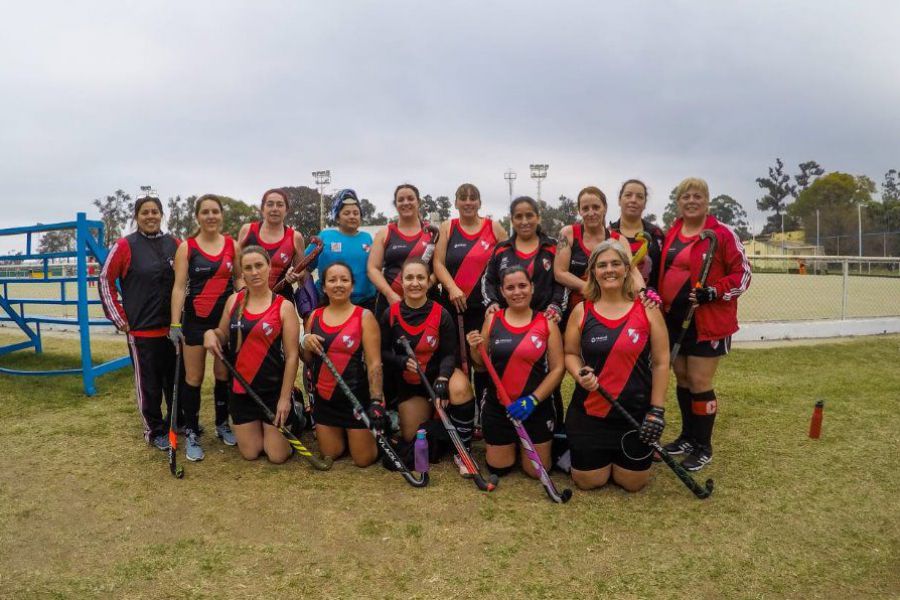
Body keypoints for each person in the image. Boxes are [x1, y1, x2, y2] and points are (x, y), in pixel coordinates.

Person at [658, 177, 751, 471]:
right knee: (682, 377)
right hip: (675, 320)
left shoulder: (721, 234)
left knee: (699, 381)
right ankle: (687, 436)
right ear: (678, 202)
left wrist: (715, 291)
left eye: (697, 196)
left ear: (707, 200)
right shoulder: (673, 231)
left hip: (707, 320)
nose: (691, 201)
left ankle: (703, 445)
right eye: (685, 196)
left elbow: (743, 274)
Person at [563, 240, 669, 492]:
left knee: (632, 483)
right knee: (589, 481)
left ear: (626, 269)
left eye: (615, 264)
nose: (609, 270)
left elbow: (662, 362)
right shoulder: (582, 310)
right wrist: (580, 374)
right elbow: (569, 353)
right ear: (593, 273)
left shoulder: (647, 309)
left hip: (633, 414)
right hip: (591, 413)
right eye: (602, 265)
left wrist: (657, 411)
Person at [203, 246, 300, 463]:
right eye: (248, 268)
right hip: (241, 390)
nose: (254, 272)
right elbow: (222, 334)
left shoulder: (283, 307)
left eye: (259, 265)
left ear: (269, 268)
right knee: (251, 453)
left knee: (277, 456)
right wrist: (211, 334)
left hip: (272, 392)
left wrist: (284, 399)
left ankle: (297, 410)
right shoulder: (234, 301)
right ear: (242, 273)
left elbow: (293, 356)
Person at [99, 194, 180, 450]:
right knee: (150, 385)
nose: (150, 216)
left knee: (175, 381)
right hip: (143, 331)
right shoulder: (125, 245)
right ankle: (154, 430)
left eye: (155, 211)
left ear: (162, 214)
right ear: (137, 217)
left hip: (173, 330)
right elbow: (105, 280)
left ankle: (175, 424)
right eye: (145, 212)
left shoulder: (175, 244)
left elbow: (186, 281)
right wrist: (118, 317)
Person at [467, 266, 564, 478]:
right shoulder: (493, 319)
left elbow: (558, 369)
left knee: (536, 471)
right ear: (502, 291)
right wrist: (475, 348)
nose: (517, 292)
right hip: (499, 407)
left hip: (535, 408)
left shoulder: (547, 322)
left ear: (532, 288)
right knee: (499, 468)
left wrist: (533, 400)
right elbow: (480, 366)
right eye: (510, 287)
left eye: (522, 286)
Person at [380, 259, 475, 472]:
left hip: (437, 376)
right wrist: (401, 361)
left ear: (428, 281)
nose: (415, 283)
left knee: (459, 387)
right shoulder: (390, 314)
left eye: (420, 277)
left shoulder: (441, 313)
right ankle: (442, 427)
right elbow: (382, 353)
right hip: (411, 383)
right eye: (409, 278)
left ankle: (464, 450)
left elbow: (449, 354)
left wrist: (442, 379)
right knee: (412, 438)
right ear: (401, 283)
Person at [170, 194, 240, 460]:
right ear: (198, 216)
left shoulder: (233, 245)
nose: (211, 216)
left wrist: (245, 313)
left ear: (221, 215)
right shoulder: (187, 248)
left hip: (224, 323)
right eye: (205, 212)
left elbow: (239, 281)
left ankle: (222, 424)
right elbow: (178, 288)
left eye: (215, 212)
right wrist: (175, 323)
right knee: (194, 378)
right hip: (195, 323)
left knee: (223, 375)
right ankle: (191, 432)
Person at [433, 183, 508, 406]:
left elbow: (506, 264)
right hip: (454, 308)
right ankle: (463, 410)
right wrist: (452, 288)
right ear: (455, 202)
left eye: (473, 198)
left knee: (483, 361)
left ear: (479, 202)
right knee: (456, 361)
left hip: (486, 309)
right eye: (463, 198)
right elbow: (437, 263)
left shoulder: (494, 228)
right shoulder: (448, 227)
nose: (468, 202)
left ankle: (486, 411)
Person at [301, 262, 380, 466]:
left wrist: (377, 403)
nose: (338, 284)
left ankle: (371, 430)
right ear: (324, 287)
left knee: (363, 460)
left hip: (355, 400)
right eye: (332, 280)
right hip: (326, 401)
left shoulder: (364, 316)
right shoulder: (314, 317)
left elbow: (374, 365)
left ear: (352, 286)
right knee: (331, 453)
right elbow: (307, 360)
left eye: (344, 280)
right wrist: (304, 343)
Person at [555, 186, 621, 326]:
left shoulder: (618, 240)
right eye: (585, 208)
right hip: (574, 309)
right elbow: (560, 272)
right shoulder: (568, 233)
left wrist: (644, 292)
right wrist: (590, 289)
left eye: (596, 207)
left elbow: (631, 272)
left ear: (605, 208)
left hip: (608, 308)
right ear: (579, 211)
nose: (591, 213)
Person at [367, 183, 435, 317]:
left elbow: (439, 266)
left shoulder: (432, 232)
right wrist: (389, 294)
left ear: (418, 202)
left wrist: (425, 286)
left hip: (426, 300)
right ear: (395, 204)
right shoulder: (385, 233)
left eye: (410, 198)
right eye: (401, 200)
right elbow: (372, 269)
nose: (406, 203)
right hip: (391, 302)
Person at [305, 189, 376, 313]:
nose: (352, 216)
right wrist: (309, 294)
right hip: (329, 303)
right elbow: (303, 268)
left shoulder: (367, 238)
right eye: (347, 213)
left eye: (356, 213)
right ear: (337, 217)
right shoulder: (325, 236)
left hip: (365, 304)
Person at [237, 189, 306, 301]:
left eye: (280, 205)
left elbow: (301, 271)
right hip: (249, 301)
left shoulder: (295, 237)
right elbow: (237, 271)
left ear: (286, 210)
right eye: (270, 204)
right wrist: (243, 292)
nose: (275, 209)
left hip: (282, 302)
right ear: (262, 209)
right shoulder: (247, 230)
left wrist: (294, 275)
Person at [608, 179, 665, 290]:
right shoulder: (607, 234)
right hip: (615, 301)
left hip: (650, 302)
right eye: (628, 195)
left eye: (639, 197)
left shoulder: (656, 234)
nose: (633, 200)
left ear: (644, 204)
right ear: (619, 200)